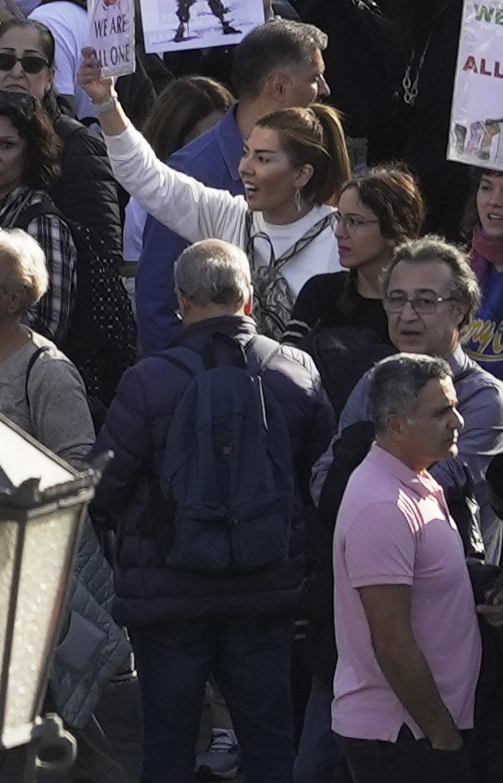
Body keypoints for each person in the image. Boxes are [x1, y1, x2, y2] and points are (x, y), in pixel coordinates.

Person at [105, 244, 329, 783]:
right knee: (270, 740)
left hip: (168, 597)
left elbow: (103, 487)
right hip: (265, 588)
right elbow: (325, 475)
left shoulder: (148, 381)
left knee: (167, 747)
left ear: (180, 300)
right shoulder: (294, 373)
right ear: (248, 297)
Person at [334, 349, 483, 783]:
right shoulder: (382, 505)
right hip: (404, 737)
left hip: (421, 731)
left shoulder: (417, 478)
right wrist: (444, 739)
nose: (457, 421)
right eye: (441, 412)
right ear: (396, 425)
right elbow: (393, 644)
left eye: (455, 407)